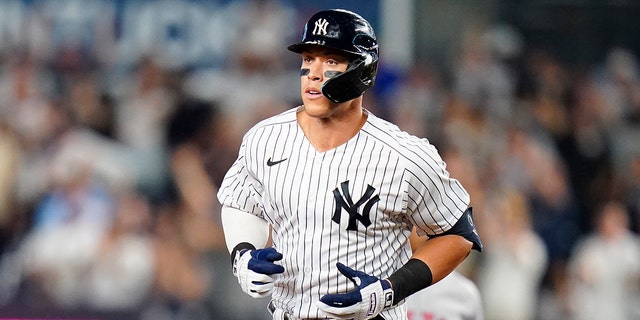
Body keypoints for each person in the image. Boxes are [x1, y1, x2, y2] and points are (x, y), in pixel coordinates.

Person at [217, 9, 482, 320]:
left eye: (330, 61)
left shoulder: (404, 155)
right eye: (308, 59)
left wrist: (389, 288)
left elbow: (458, 234)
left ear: (362, 69)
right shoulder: (265, 138)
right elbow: (241, 201)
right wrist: (243, 253)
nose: (313, 73)